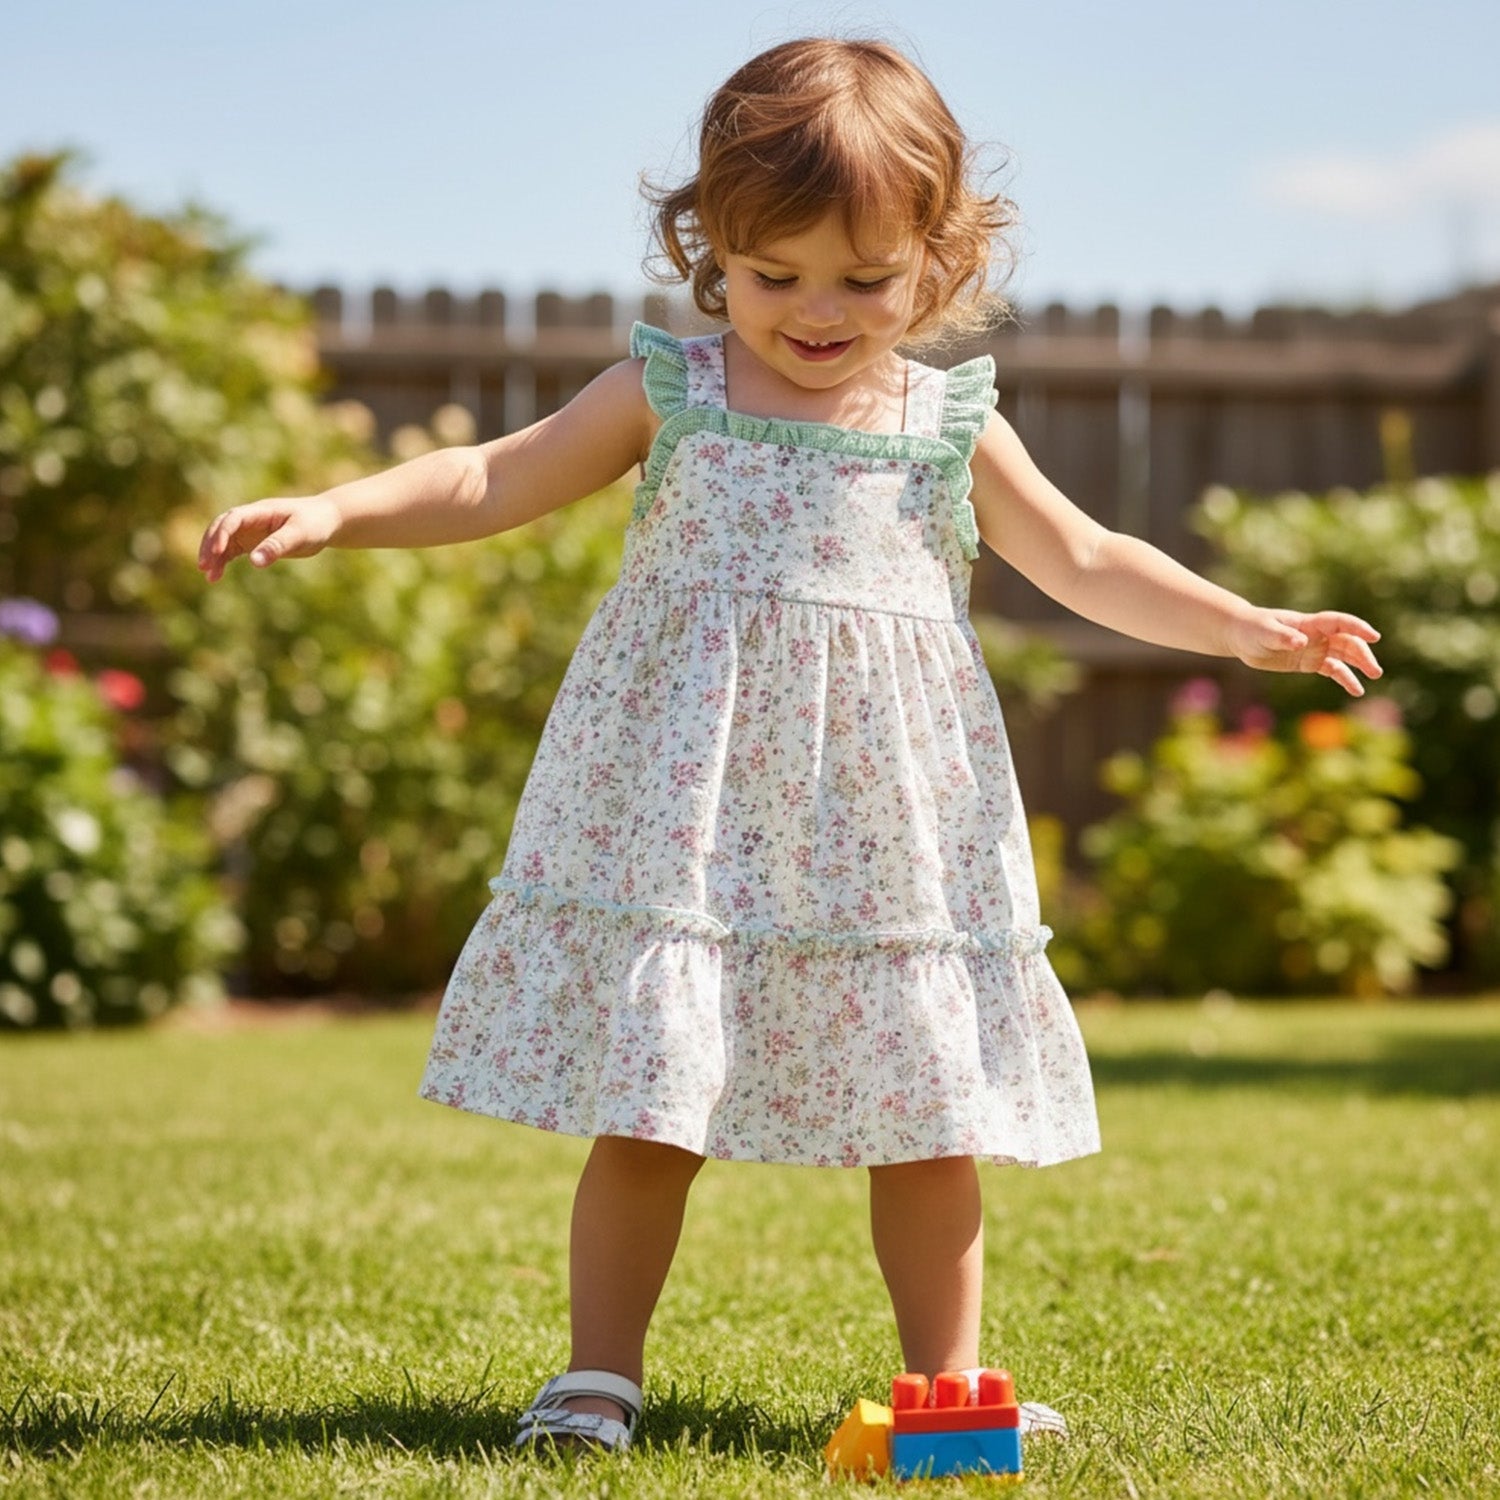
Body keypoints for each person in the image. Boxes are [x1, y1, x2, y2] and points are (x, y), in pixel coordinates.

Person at [198, 36, 1382, 1455]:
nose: (816, 312)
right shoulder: (678, 390)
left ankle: (950, 1390)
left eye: (864, 280)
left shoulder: (946, 419)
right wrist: (339, 506)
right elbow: (493, 473)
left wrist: (1238, 622)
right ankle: (595, 1379)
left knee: (931, 1107)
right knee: (654, 1096)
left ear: (938, 264)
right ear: (711, 250)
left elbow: (1085, 555)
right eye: (776, 276)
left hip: (888, 827)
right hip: (690, 817)